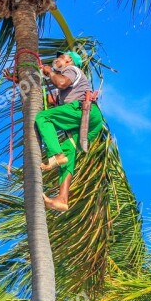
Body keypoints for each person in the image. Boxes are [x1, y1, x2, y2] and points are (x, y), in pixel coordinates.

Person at [35, 51, 103, 212]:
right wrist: (20, 80)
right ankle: (62, 199)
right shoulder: (65, 90)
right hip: (91, 123)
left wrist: (50, 71)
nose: (57, 59)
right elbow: (45, 97)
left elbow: (62, 83)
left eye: (61, 56)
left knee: (43, 118)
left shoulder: (71, 70)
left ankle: (56, 155)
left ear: (69, 60)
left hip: (83, 110)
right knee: (69, 152)